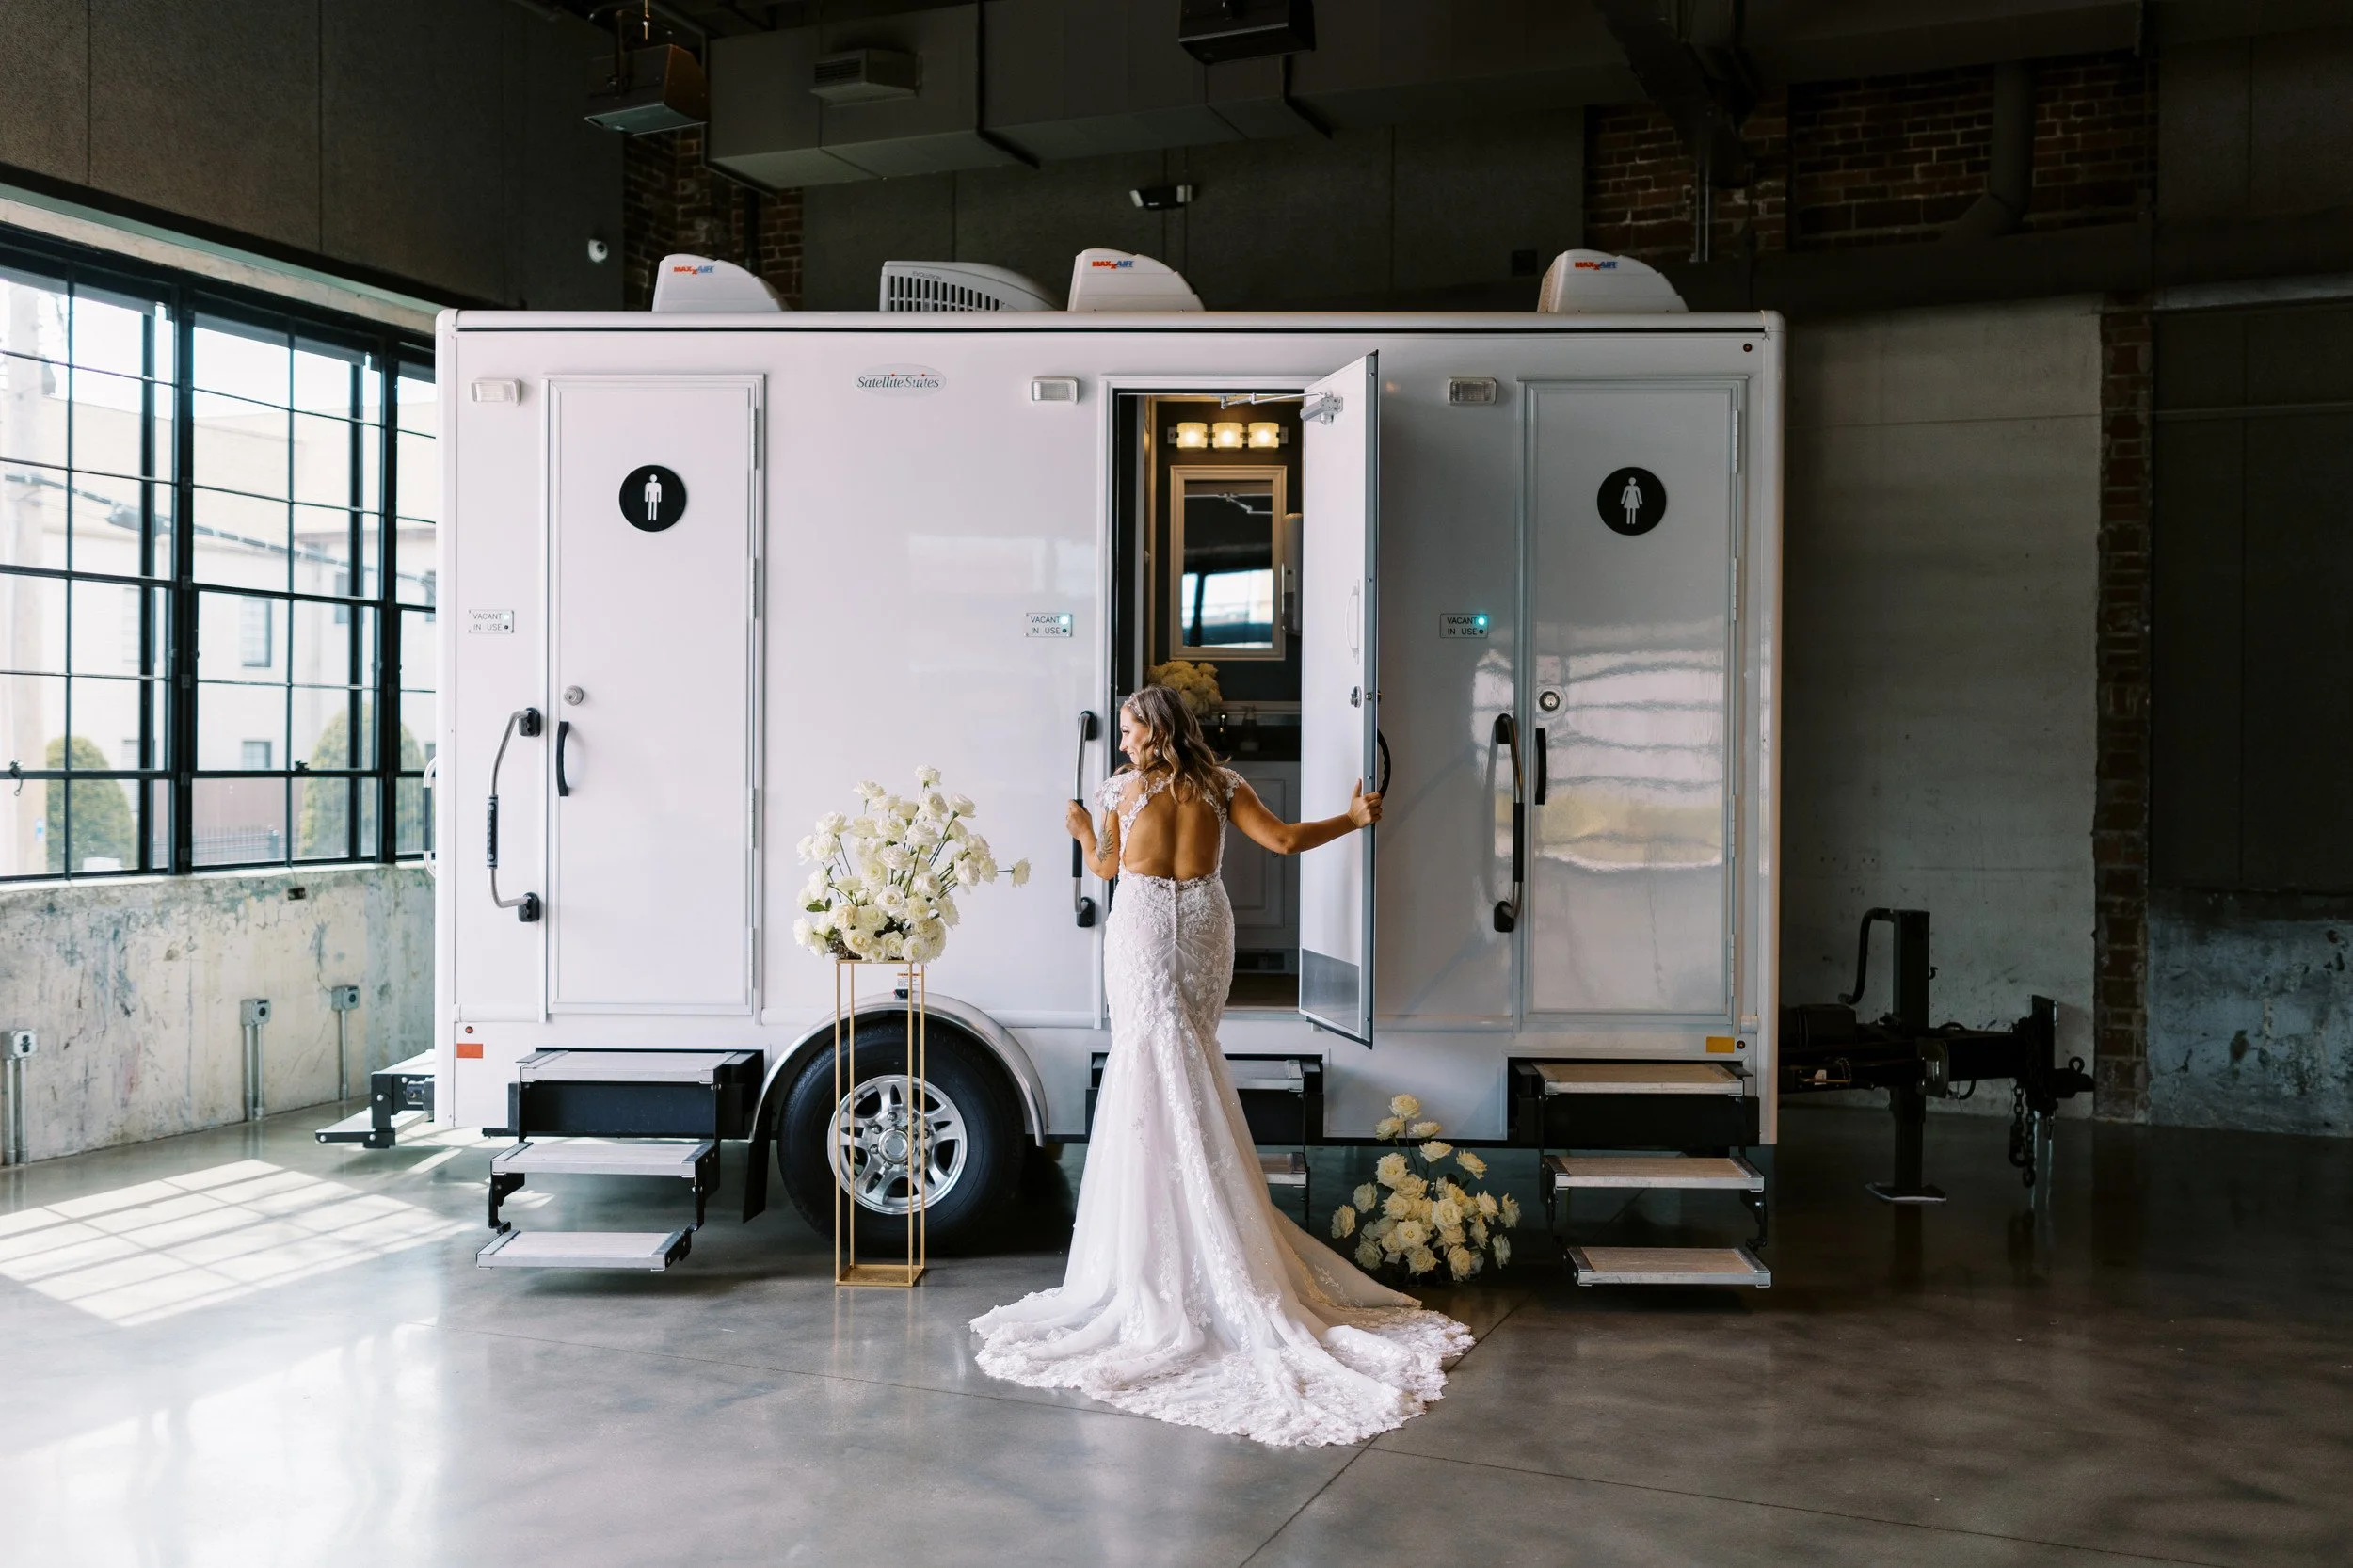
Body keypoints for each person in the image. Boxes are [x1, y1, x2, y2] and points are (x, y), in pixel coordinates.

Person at [969, 685, 1472, 1447]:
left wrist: (1079, 832)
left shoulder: (1117, 793)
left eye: (1132, 730)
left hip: (1142, 927)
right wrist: (1356, 818)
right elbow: (1285, 844)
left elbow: (1107, 870)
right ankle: (1216, 1223)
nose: (1124, 743)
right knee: (1191, 1055)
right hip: (1206, 923)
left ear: (1156, 730)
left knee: (1150, 1058)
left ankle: (1158, 1242)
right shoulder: (1221, 785)